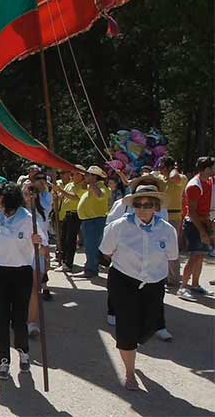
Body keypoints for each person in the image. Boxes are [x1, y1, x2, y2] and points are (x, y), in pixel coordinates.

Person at [100, 185, 178, 391]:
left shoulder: (167, 230)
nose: (143, 208)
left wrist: (173, 278)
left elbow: (172, 256)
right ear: (133, 206)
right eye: (138, 204)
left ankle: (134, 343)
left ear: (156, 207)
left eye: (148, 204)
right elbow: (106, 251)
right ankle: (129, 373)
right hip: (123, 281)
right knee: (126, 327)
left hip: (154, 283)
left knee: (150, 326)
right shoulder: (118, 226)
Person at [0, 183, 47, 381]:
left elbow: (42, 251)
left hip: (21, 274)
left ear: (6, 199)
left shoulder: (28, 219)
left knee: (19, 318)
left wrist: (38, 242)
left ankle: (23, 351)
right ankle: (3, 360)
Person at [178, 156, 215, 300]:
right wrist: (202, 232)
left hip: (204, 222)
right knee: (194, 256)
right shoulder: (194, 185)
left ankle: (195, 285)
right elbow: (192, 212)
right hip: (194, 224)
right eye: (213, 167)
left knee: (200, 255)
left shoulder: (209, 181)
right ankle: (183, 287)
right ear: (207, 169)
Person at [22, 180, 51, 336]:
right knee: (22, 290)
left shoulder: (41, 214)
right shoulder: (16, 213)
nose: (29, 197)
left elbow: (45, 241)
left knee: (34, 290)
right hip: (20, 256)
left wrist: (46, 256)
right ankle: (21, 318)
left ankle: (32, 322)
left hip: (37, 255)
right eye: (26, 193)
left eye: (32, 193)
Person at [77, 165, 111, 278]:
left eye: (88, 175)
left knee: (92, 246)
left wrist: (91, 183)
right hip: (89, 221)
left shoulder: (102, 187)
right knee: (89, 246)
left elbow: (100, 195)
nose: (85, 176)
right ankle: (90, 267)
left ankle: (91, 269)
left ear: (94, 177)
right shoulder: (90, 187)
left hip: (95, 221)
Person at [157, 156, 186, 286]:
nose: (160, 170)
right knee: (159, 247)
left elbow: (175, 177)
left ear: (169, 167)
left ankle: (174, 278)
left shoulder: (181, 178)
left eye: (162, 167)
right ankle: (164, 275)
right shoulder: (160, 180)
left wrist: (174, 168)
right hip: (160, 216)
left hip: (174, 217)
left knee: (172, 248)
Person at [54, 166, 86, 272]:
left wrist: (61, 191)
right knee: (63, 239)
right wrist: (57, 195)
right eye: (73, 173)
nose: (74, 176)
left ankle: (68, 263)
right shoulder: (69, 185)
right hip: (66, 214)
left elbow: (75, 197)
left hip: (75, 215)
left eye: (77, 174)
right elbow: (62, 196)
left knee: (70, 240)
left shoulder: (83, 186)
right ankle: (63, 260)